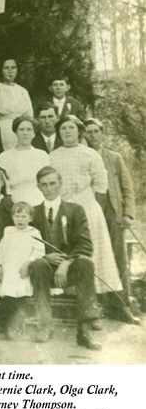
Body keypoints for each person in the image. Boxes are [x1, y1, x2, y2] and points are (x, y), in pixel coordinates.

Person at [50, 116, 137, 322]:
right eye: (63, 128)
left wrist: (84, 200)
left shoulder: (90, 154)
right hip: (64, 209)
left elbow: (100, 184)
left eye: (72, 128)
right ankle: (79, 307)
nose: (68, 132)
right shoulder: (53, 156)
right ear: (59, 132)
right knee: (70, 255)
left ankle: (98, 307)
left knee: (95, 255)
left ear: (79, 132)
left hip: (88, 208)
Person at [28, 167, 101, 349]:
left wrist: (67, 262)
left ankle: (84, 329)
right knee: (37, 264)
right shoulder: (32, 213)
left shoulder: (75, 210)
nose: (49, 188)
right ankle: (44, 325)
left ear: (60, 184)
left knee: (86, 263)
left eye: (53, 183)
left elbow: (85, 245)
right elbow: (25, 244)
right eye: (44, 185)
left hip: (70, 269)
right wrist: (45, 256)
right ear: (39, 187)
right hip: (44, 269)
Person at [84, 118, 136, 286]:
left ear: (102, 133)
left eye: (96, 131)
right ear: (84, 134)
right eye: (89, 132)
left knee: (118, 253)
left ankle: (122, 298)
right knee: (95, 253)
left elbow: (127, 187)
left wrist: (128, 213)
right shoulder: (82, 156)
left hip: (112, 210)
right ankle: (101, 297)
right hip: (91, 209)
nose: (92, 135)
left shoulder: (114, 158)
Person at [0, 201, 43, 340]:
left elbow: (39, 251)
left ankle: (17, 324)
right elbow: (1, 249)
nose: (20, 220)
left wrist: (28, 264)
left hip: (22, 270)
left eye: (24, 216)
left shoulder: (34, 233)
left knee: (20, 295)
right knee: (7, 296)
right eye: (17, 216)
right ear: (12, 217)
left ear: (30, 218)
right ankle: (7, 324)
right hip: (8, 268)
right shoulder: (8, 231)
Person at [0, 116, 50, 205]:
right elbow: (4, 184)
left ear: (34, 133)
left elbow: (48, 180)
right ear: (15, 132)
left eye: (29, 129)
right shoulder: (5, 156)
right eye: (21, 129)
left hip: (40, 198)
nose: (25, 133)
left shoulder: (42, 155)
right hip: (15, 199)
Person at [0, 58, 34, 151]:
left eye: (13, 68)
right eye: (6, 68)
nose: (10, 71)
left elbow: (29, 115)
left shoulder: (22, 91)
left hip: (22, 129)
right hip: (3, 129)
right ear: (1, 71)